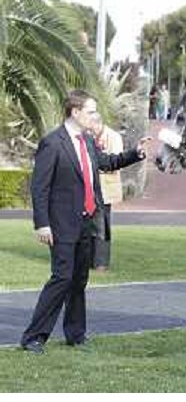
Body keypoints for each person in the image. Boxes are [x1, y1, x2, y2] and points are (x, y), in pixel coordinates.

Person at [21, 90, 151, 354]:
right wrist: (42, 224)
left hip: (86, 222)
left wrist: (135, 154)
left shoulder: (87, 141)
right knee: (62, 278)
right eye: (91, 111)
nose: (96, 116)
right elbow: (39, 188)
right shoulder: (53, 142)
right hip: (61, 225)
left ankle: (75, 334)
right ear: (75, 112)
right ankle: (34, 336)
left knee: (79, 280)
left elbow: (107, 163)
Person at [89, 114, 124, 272]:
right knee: (89, 225)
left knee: (102, 226)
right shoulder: (89, 137)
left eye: (92, 127)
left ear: (98, 124)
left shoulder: (113, 137)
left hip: (105, 190)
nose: (90, 130)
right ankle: (89, 259)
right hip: (89, 190)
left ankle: (101, 262)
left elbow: (116, 162)